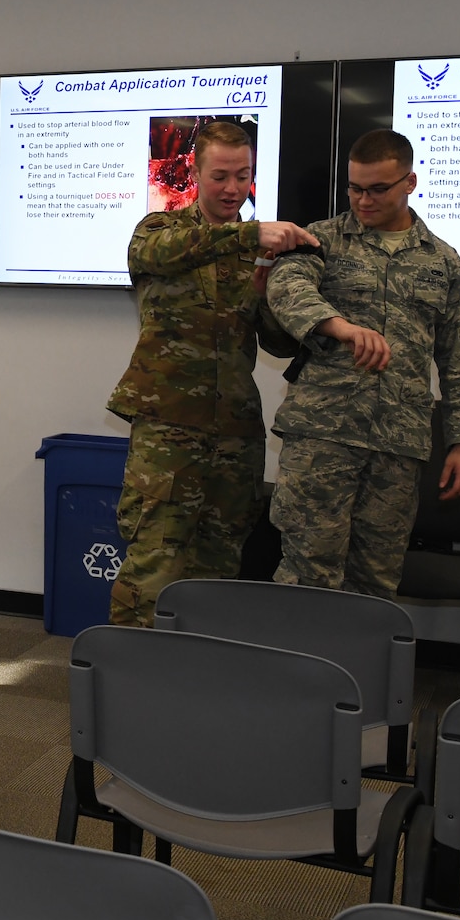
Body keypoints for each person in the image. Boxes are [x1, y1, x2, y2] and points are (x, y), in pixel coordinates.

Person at [264, 128, 460, 599]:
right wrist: (339, 326)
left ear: (410, 182)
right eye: (354, 188)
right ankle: (301, 674)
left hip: (397, 445)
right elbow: (286, 291)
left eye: (377, 189)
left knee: (376, 583)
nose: (363, 200)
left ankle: (361, 675)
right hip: (322, 436)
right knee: (308, 576)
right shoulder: (317, 241)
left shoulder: (443, 262)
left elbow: (459, 355)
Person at [107, 121, 313, 626]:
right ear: (195, 172)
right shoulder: (159, 231)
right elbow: (150, 257)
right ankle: (129, 685)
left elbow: (277, 343)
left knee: (219, 569)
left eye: (243, 176)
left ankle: (200, 682)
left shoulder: (255, 253)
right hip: (168, 429)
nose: (232, 188)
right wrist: (247, 234)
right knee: (154, 562)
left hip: (235, 433)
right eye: (220, 175)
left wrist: (271, 286)